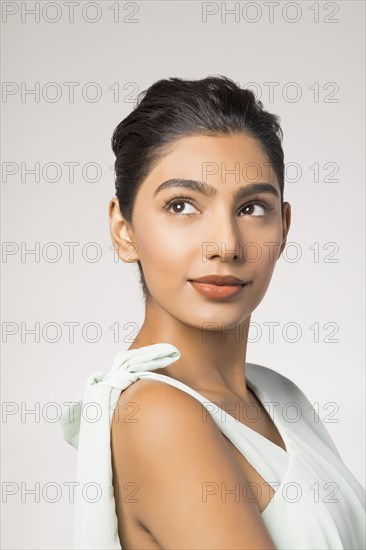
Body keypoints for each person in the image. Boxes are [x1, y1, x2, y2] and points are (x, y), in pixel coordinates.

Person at [60, 76, 365, 550]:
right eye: (182, 205)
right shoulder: (158, 416)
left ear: (283, 228)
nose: (225, 244)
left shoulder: (280, 395)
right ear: (123, 230)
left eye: (252, 208)